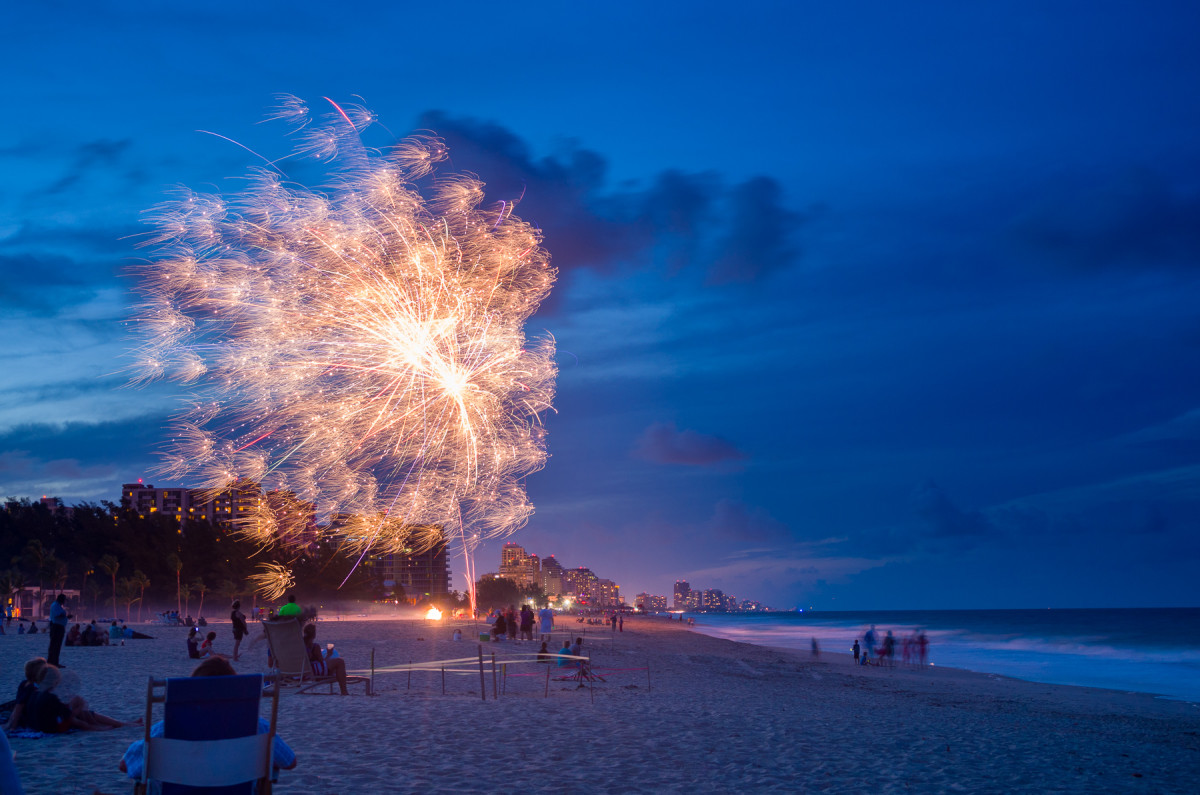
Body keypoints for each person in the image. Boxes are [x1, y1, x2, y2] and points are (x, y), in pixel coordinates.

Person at [119, 657, 297, 789]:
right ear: (235, 692)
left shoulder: (167, 729)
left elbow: (126, 764)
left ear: (192, 691)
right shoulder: (257, 727)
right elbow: (289, 761)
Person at [29, 664, 139, 732]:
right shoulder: (51, 697)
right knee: (80, 712)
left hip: (44, 725)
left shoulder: (37, 692)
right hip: (53, 728)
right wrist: (79, 708)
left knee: (78, 702)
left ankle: (120, 723)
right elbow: (69, 717)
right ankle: (96, 727)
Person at [301, 623, 350, 695]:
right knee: (340, 661)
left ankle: (341, 675)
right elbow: (322, 663)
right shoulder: (315, 646)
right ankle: (344, 691)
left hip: (300, 671)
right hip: (311, 671)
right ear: (314, 635)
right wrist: (329, 654)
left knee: (332, 665)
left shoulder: (299, 645)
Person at [5, 657, 46, 731]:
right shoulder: (32, 687)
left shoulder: (24, 683)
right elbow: (19, 705)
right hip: (26, 715)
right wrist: (12, 726)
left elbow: (18, 702)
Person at [47, 594, 70, 666]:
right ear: (62, 600)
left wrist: (66, 617)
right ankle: (52, 662)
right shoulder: (55, 605)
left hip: (58, 626)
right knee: (55, 645)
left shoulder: (57, 605)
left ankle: (54, 662)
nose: (65, 602)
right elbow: (57, 615)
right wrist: (66, 616)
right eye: (64, 600)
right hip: (57, 627)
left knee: (56, 645)